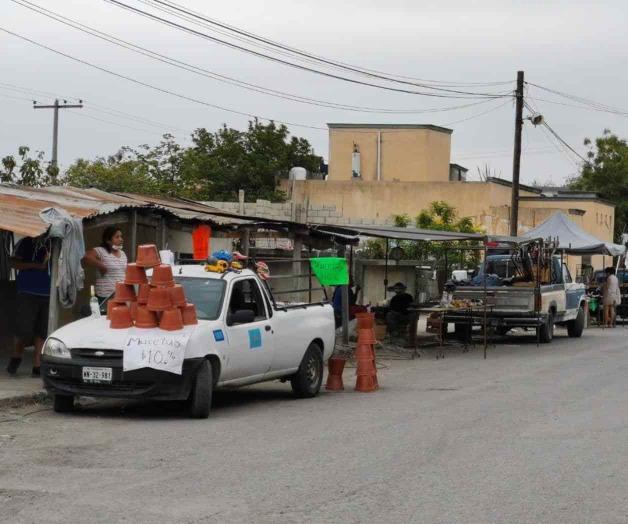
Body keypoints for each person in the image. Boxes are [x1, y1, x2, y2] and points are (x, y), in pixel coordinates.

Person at [7, 235, 51, 377]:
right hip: (27, 291)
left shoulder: (54, 243)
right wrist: (36, 265)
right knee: (23, 330)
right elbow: (13, 263)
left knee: (42, 330)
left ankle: (37, 366)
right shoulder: (26, 241)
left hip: (48, 292)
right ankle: (16, 356)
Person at [82, 226, 127, 304]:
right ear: (108, 240)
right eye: (117, 237)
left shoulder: (123, 253)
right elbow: (86, 257)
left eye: (121, 236)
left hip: (120, 295)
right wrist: (101, 266)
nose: (121, 239)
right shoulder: (101, 251)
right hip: (105, 297)